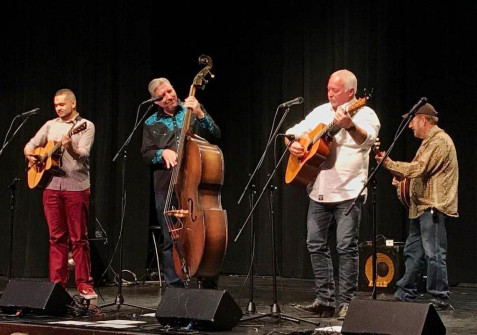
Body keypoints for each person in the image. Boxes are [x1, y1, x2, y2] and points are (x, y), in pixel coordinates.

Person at [285, 69, 380, 320]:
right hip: (318, 191)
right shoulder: (320, 112)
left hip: (349, 191)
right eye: (328, 88)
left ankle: (347, 302)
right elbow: (294, 131)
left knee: (345, 247)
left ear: (351, 92)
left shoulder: (365, 112)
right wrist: (292, 143)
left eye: (335, 90)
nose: (329, 93)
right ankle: (325, 299)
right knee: (315, 244)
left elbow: (367, 139)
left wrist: (350, 125)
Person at [375, 102, 458, 310]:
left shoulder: (439, 141)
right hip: (419, 208)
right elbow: (420, 174)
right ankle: (405, 292)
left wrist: (389, 164)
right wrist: (401, 180)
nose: (410, 126)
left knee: (434, 253)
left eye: (412, 121)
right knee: (413, 252)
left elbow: (419, 169)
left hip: (432, 207)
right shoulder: (428, 143)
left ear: (423, 119)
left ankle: (440, 296)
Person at [141, 77, 221, 288]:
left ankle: (206, 279)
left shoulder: (192, 109)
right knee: (171, 238)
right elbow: (146, 154)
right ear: (155, 101)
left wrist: (201, 115)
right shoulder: (150, 123)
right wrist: (162, 152)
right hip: (165, 187)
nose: (169, 96)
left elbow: (216, 134)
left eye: (170, 91)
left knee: (204, 234)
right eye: (163, 96)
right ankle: (174, 286)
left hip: (195, 185)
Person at [24, 88, 97, 299]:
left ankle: (84, 283)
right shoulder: (50, 125)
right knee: (56, 238)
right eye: (56, 105)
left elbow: (82, 155)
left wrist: (70, 148)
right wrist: (31, 155)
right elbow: (31, 144)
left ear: (73, 104)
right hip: (51, 187)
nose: (58, 108)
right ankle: (57, 285)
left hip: (76, 186)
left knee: (79, 238)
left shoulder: (85, 126)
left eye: (62, 104)